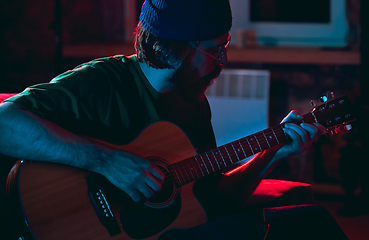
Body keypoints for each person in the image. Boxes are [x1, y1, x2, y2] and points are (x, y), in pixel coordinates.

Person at [0, 0, 347, 239]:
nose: (222, 62)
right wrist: (107, 161)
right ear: (178, 47)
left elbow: (217, 201)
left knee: (307, 223)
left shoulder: (193, 105)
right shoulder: (102, 81)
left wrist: (270, 152)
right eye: (217, 50)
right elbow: (5, 121)